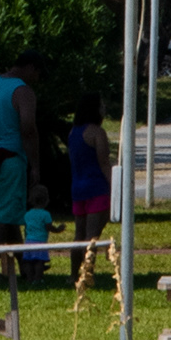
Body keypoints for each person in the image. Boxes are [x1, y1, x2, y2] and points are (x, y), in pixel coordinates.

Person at [0, 56, 45, 280]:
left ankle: (24, 264)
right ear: (31, 67)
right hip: (9, 159)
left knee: (9, 213)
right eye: (38, 74)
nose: (38, 80)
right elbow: (28, 128)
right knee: (1, 217)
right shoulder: (23, 91)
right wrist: (35, 165)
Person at [66, 106, 114, 268]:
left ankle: (74, 273)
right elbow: (104, 163)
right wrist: (114, 186)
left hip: (78, 189)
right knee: (92, 236)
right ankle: (87, 273)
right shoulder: (97, 133)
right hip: (97, 189)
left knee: (78, 235)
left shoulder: (73, 133)